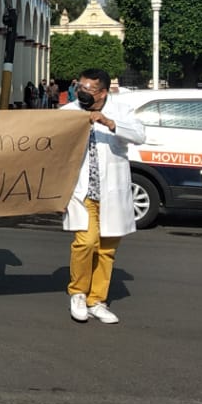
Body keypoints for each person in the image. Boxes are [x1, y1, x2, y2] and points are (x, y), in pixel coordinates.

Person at [62, 68, 147, 325]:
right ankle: (77, 293)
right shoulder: (68, 112)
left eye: (89, 89)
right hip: (82, 191)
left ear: (102, 92)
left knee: (107, 248)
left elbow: (140, 135)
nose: (82, 93)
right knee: (86, 243)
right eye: (80, 87)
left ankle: (97, 300)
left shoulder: (121, 110)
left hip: (112, 190)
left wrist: (109, 123)